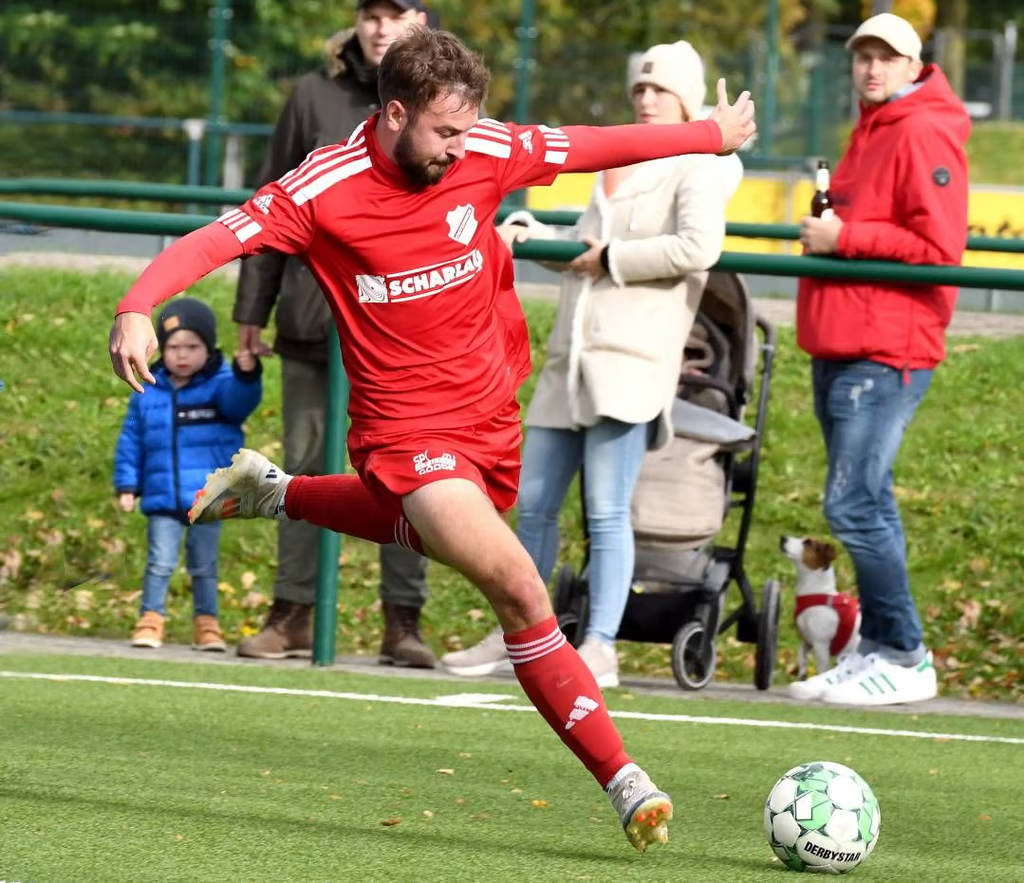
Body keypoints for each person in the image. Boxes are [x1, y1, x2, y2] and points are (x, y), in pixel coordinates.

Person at [109, 28, 755, 851]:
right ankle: (625, 778)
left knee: (447, 529)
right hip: (404, 430)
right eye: (445, 132)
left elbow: (591, 143)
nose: (460, 147)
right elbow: (220, 236)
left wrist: (709, 135)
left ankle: (278, 491)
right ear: (394, 112)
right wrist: (138, 302)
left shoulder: (482, 146)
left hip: (488, 410)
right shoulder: (326, 185)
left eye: (468, 129)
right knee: (518, 583)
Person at [441, 40, 743, 687]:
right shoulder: (622, 159)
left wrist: (611, 258)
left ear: (686, 99)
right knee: (534, 503)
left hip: (631, 365)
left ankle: (599, 645)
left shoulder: (696, 164)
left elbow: (698, 245)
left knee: (608, 510)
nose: (645, 98)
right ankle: (516, 630)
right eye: (640, 88)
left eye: (659, 90)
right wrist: (528, 231)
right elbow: (588, 245)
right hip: (570, 362)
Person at [233, 0, 435, 667]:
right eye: (370, 12)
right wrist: (250, 314)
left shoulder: (443, 104)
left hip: (405, 336)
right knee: (305, 465)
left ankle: (403, 621)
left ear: (423, 21)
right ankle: (291, 612)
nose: (381, 27)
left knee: (410, 474)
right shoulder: (312, 97)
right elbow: (268, 208)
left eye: (397, 12)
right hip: (314, 324)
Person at [790, 13, 969, 706]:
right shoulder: (870, 127)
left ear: (912, 64)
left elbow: (940, 248)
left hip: (885, 346)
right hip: (841, 340)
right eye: (862, 55)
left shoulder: (922, 128)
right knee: (865, 501)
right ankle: (875, 649)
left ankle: (904, 652)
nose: (871, 68)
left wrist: (845, 236)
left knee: (854, 502)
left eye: (886, 57)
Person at [113, 298, 263, 651]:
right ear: (161, 350)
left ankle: (207, 626)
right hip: (162, 495)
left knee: (204, 566)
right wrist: (127, 483)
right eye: (174, 347)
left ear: (207, 347)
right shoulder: (148, 388)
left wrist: (246, 374)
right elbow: (131, 437)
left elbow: (240, 402)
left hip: (209, 498)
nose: (182, 355)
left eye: (192, 347)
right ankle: (150, 620)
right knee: (159, 563)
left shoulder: (222, 383)